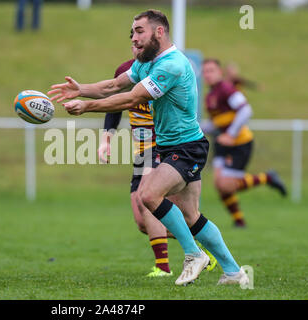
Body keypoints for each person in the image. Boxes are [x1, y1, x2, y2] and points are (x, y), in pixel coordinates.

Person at [48, 9, 248, 286]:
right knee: (191, 215)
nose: (133, 38)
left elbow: (131, 99)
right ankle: (234, 271)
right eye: (131, 33)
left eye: (139, 31)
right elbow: (114, 86)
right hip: (172, 146)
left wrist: (86, 107)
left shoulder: (172, 65)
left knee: (148, 194)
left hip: (187, 147)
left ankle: (193, 255)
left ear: (159, 32)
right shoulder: (146, 63)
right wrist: (81, 89)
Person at [99, 44, 217, 278]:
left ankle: (163, 267)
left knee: (148, 203)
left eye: (140, 38)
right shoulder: (125, 72)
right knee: (143, 222)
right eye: (133, 40)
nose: (136, 44)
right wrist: (106, 140)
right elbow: (115, 106)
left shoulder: (162, 71)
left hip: (161, 146)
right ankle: (204, 248)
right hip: (141, 151)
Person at [201, 58, 287, 227]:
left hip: (239, 143)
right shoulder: (210, 95)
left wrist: (231, 134)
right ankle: (239, 221)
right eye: (204, 71)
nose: (207, 74)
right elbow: (218, 122)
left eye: (211, 70)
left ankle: (267, 177)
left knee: (226, 185)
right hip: (222, 144)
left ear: (220, 72)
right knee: (219, 184)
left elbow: (246, 110)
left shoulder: (226, 89)